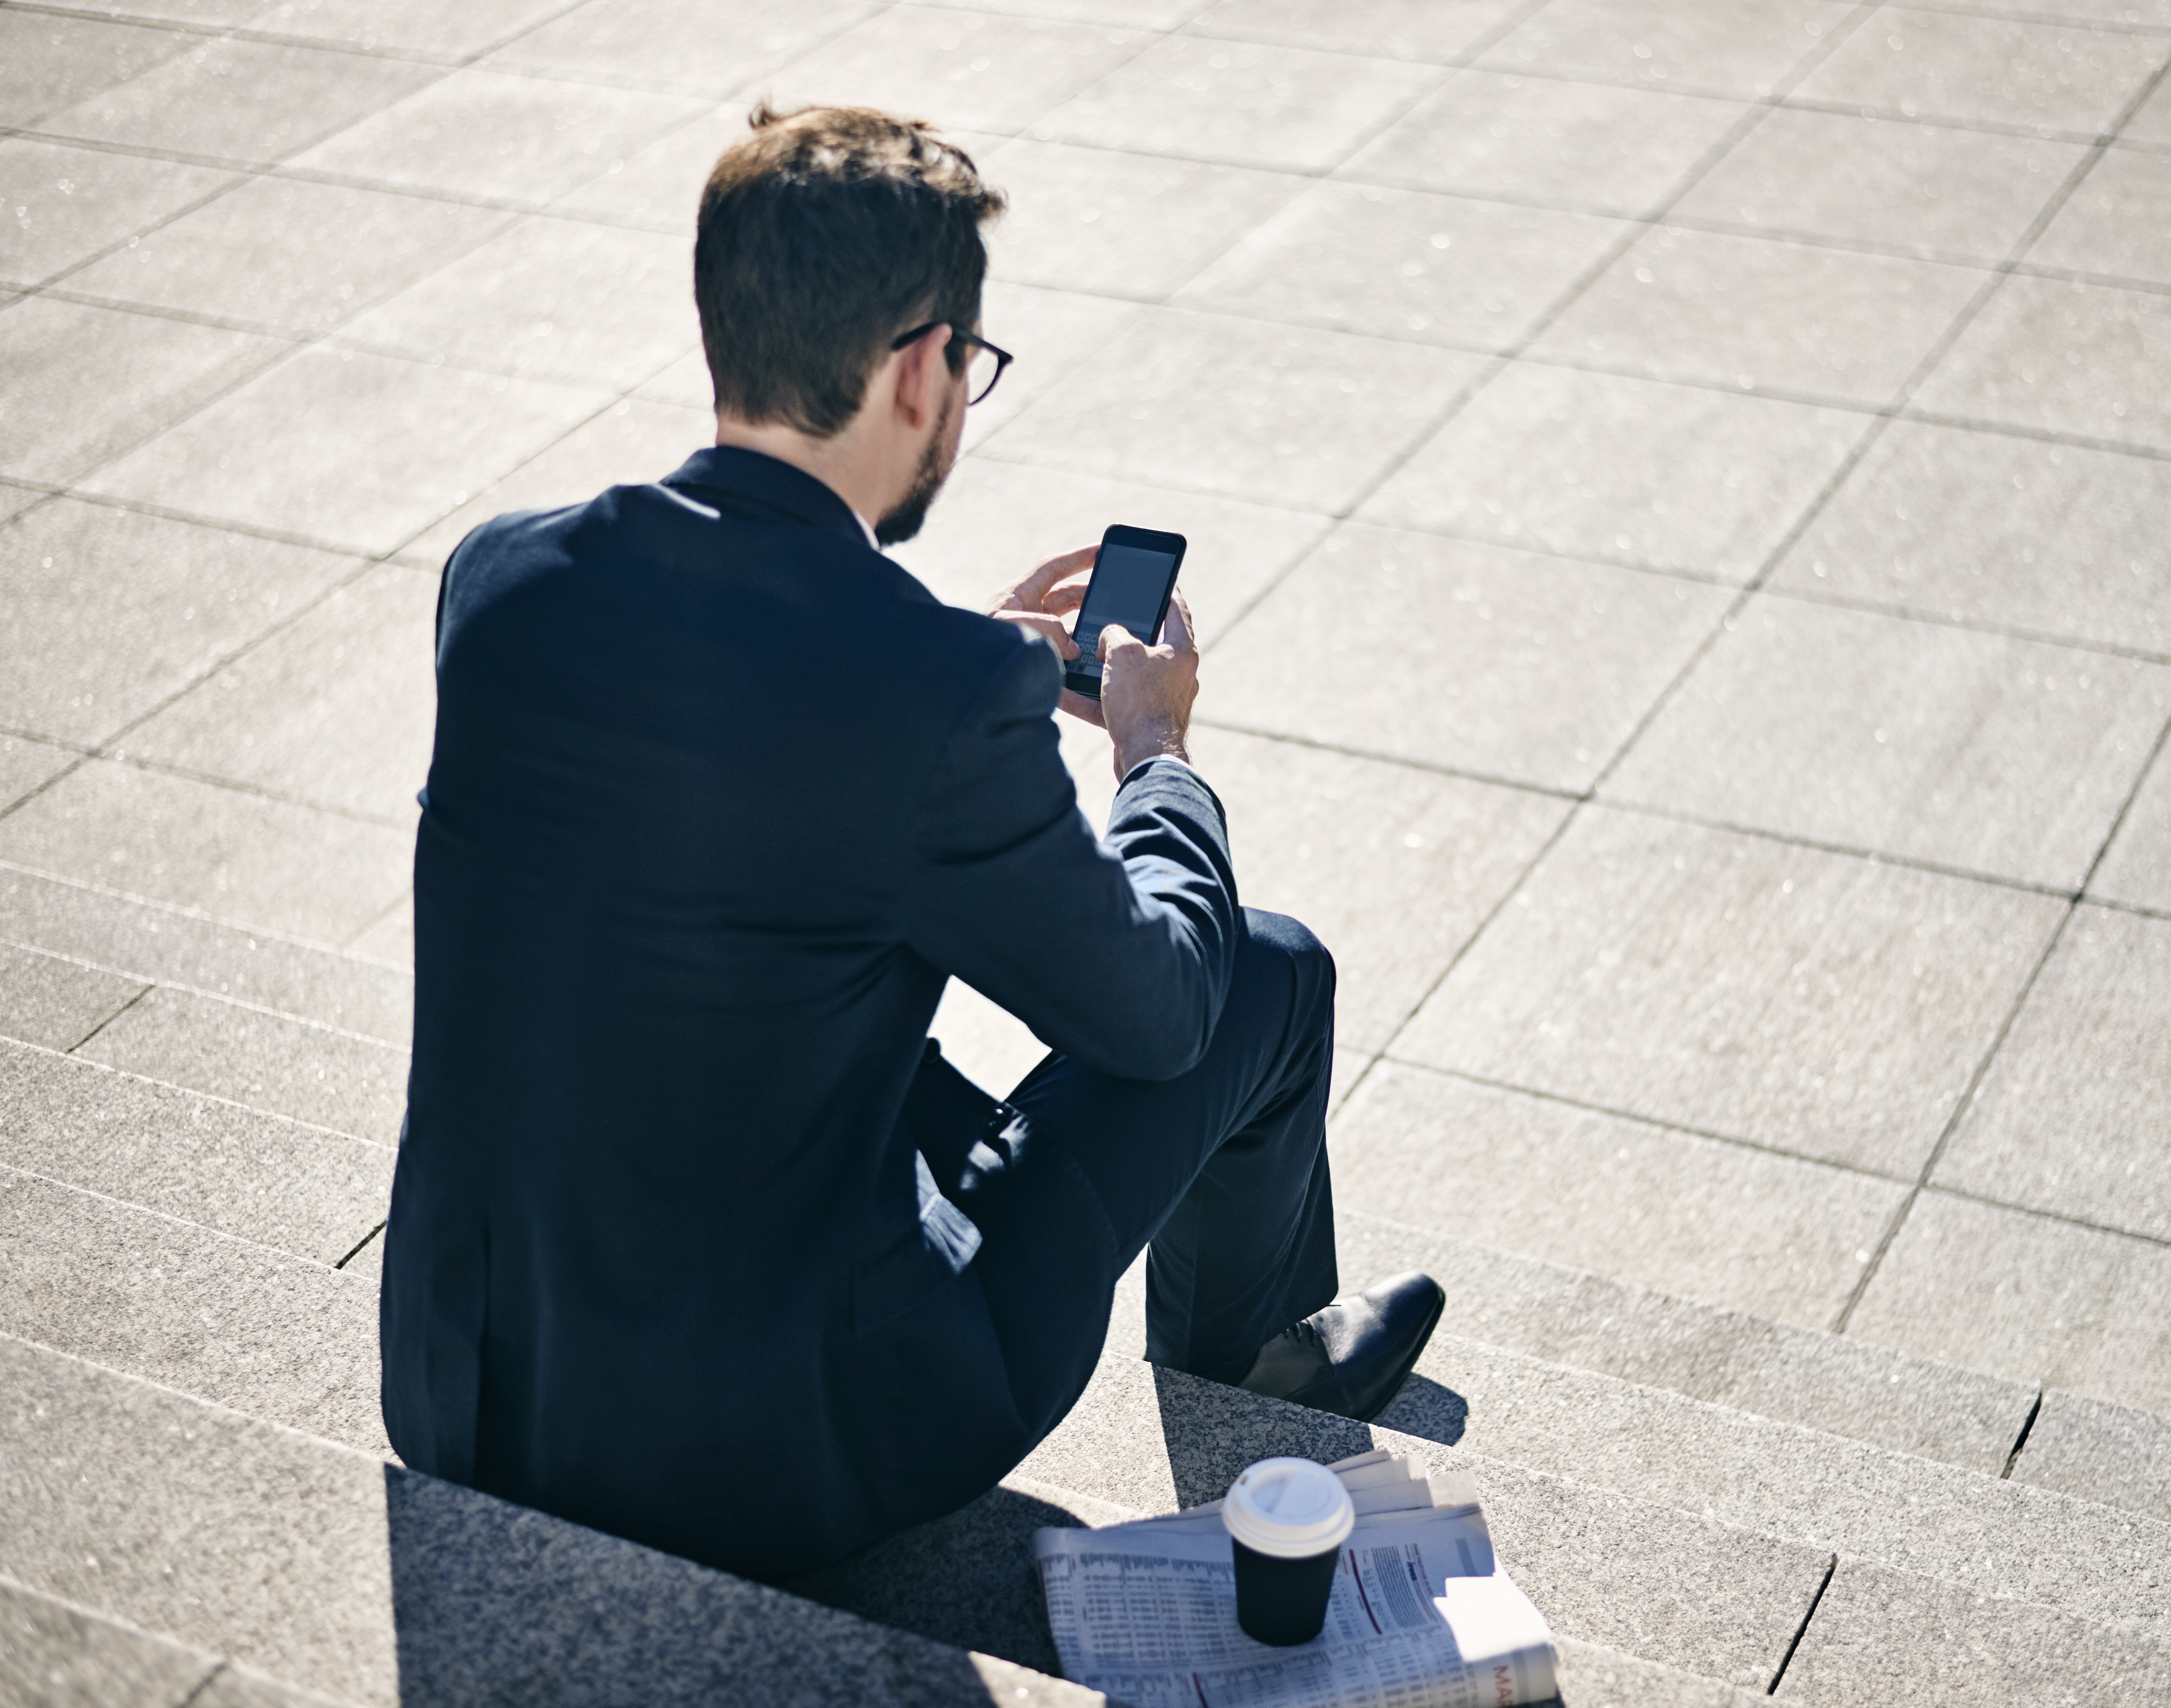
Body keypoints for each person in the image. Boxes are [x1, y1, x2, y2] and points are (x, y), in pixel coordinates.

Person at [377, 103, 1444, 1583]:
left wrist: (949, 658)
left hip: (470, 1398)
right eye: (974, 365)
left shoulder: (501, 579)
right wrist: (1153, 751)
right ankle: (1255, 1370)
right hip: (773, 1458)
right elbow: (1156, 1011)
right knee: (1263, 972)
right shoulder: (928, 697)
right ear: (920, 368)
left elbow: (715, 786)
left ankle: (1255, 1358)